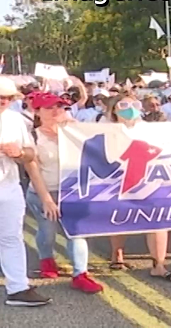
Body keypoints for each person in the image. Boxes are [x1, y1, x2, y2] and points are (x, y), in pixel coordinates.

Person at [23, 93, 103, 294]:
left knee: (76, 232)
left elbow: (109, 136)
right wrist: (47, 199)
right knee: (47, 232)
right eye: (50, 107)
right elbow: (33, 171)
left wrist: (76, 127)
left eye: (60, 106)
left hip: (71, 192)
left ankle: (80, 274)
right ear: (37, 111)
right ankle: (46, 259)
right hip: (43, 191)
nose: (56, 111)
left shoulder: (73, 131)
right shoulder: (32, 136)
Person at [105, 95, 171, 281]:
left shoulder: (149, 129)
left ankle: (159, 264)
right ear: (114, 109)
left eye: (135, 104)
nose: (130, 108)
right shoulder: (106, 129)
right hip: (119, 180)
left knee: (158, 221)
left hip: (150, 179)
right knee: (121, 219)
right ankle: (117, 254)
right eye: (124, 105)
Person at [0, 77, 52, 306]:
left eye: (8, 97)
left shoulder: (15, 119)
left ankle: (18, 288)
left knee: (12, 237)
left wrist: (19, 153)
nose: (4, 101)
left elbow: (31, 154)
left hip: (9, 185)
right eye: (0, 97)